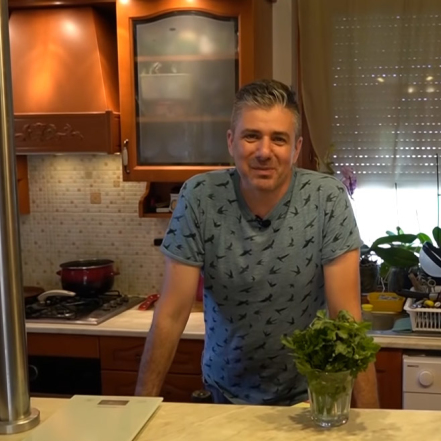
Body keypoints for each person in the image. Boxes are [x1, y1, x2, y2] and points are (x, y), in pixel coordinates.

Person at [135, 79, 379, 407]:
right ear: (231, 141)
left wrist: (370, 419)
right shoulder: (200, 197)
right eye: (251, 136)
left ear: (296, 149)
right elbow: (171, 313)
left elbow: (346, 318)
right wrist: (140, 408)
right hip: (225, 395)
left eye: (278, 139)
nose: (264, 152)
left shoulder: (327, 198)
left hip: (312, 396)